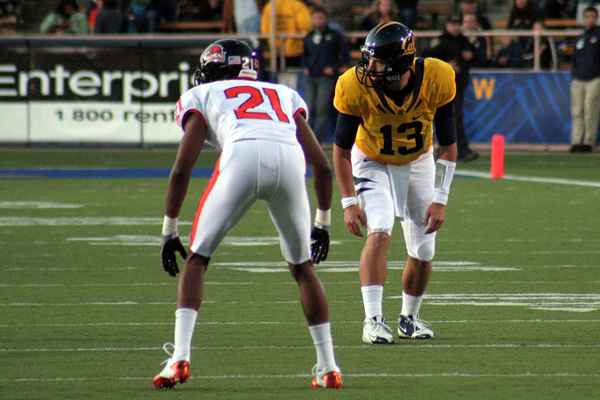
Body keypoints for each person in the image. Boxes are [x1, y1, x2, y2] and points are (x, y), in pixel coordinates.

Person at [152, 39, 342, 390]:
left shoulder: (204, 94)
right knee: (302, 268)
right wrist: (323, 221)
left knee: (197, 259)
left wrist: (169, 228)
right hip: (289, 161)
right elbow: (323, 166)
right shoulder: (283, 94)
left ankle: (179, 358)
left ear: (216, 69)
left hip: (240, 156)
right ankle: (328, 367)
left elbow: (182, 168)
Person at [333, 22, 458, 343]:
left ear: (401, 64)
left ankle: (409, 318)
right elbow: (341, 149)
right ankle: (372, 320)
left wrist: (441, 197)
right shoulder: (354, 85)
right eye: (368, 59)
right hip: (371, 160)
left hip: (417, 160)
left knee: (424, 247)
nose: (369, 68)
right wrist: (348, 202)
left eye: (378, 62)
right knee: (381, 227)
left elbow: (449, 144)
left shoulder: (437, 77)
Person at [426, 16, 478, 161]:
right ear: (447, 25)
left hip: (459, 86)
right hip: (442, 87)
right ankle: (444, 150)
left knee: (456, 118)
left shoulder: (463, 40)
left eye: (457, 24)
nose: (455, 27)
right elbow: (426, 59)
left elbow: (478, 56)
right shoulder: (441, 42)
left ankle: (460, 150)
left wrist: (471, 56)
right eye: (452, 24)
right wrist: (445, 65)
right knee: (446, 118)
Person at [303, 6, 349, 141]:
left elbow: (344, 57)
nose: (318, 21)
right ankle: (307, 138)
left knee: (321, 109)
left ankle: (316, 139)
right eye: (315, 18)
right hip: (311, 76)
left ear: (326, 19)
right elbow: (304, 55)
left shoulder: (335, 35)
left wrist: (334, 69)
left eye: (320, 18)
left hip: (326, 77)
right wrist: (305, 66)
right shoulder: (309, 35)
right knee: (309, 107)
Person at [570, 6, 600, 153]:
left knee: (590, 110)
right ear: (583, 18)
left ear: (596, 18)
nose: (589, 19)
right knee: (577, 111)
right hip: (578, 79)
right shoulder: (580, 37)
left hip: (594, 79)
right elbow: (574, 58)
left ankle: (588, 142)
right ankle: (576, 141)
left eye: (592, 16)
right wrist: (574, 74)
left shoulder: (599, 35)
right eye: (587, 16)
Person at [260, 0, 312, 67]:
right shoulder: (298, 5)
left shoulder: (269, 6)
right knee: (294, 74)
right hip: (294, 50)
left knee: (275, 75)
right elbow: (305, 27)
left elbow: (264, 30)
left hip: (274, 50)